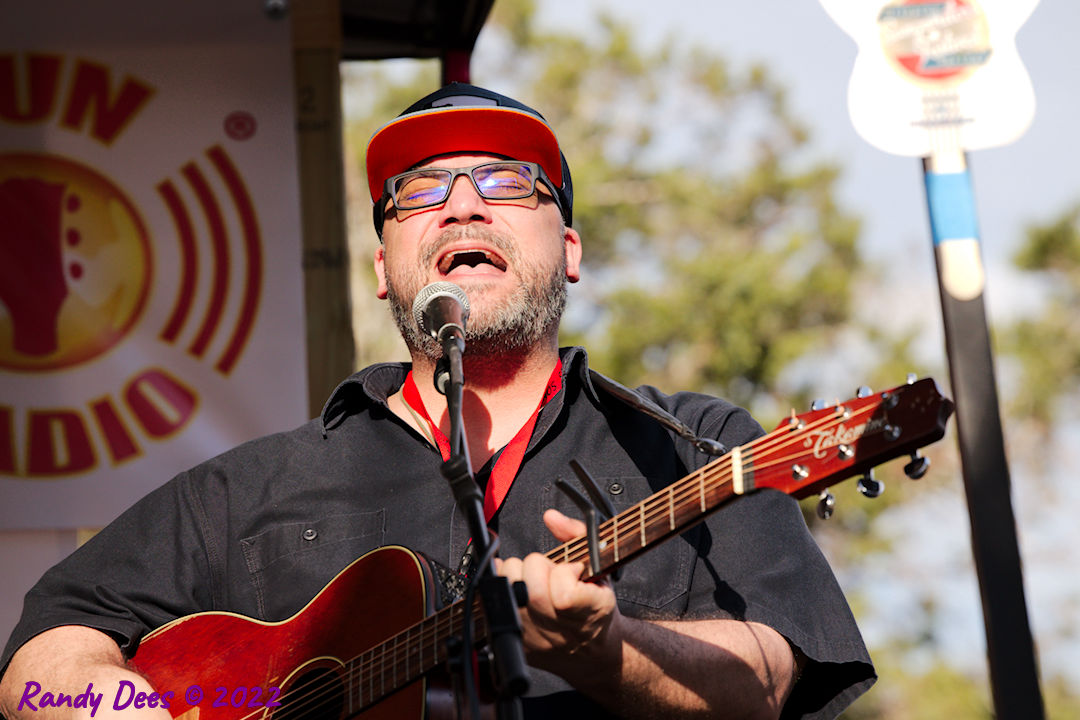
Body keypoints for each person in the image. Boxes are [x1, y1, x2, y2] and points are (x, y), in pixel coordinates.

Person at [0, 83, 875, 720]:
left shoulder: (693, 443)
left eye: (507, 182)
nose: (461, 206)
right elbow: (38, 659)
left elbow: (771, 678)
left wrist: (609, 651)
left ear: (569, 249)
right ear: (384, 268)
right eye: (419, 190)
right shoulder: (248, 487)